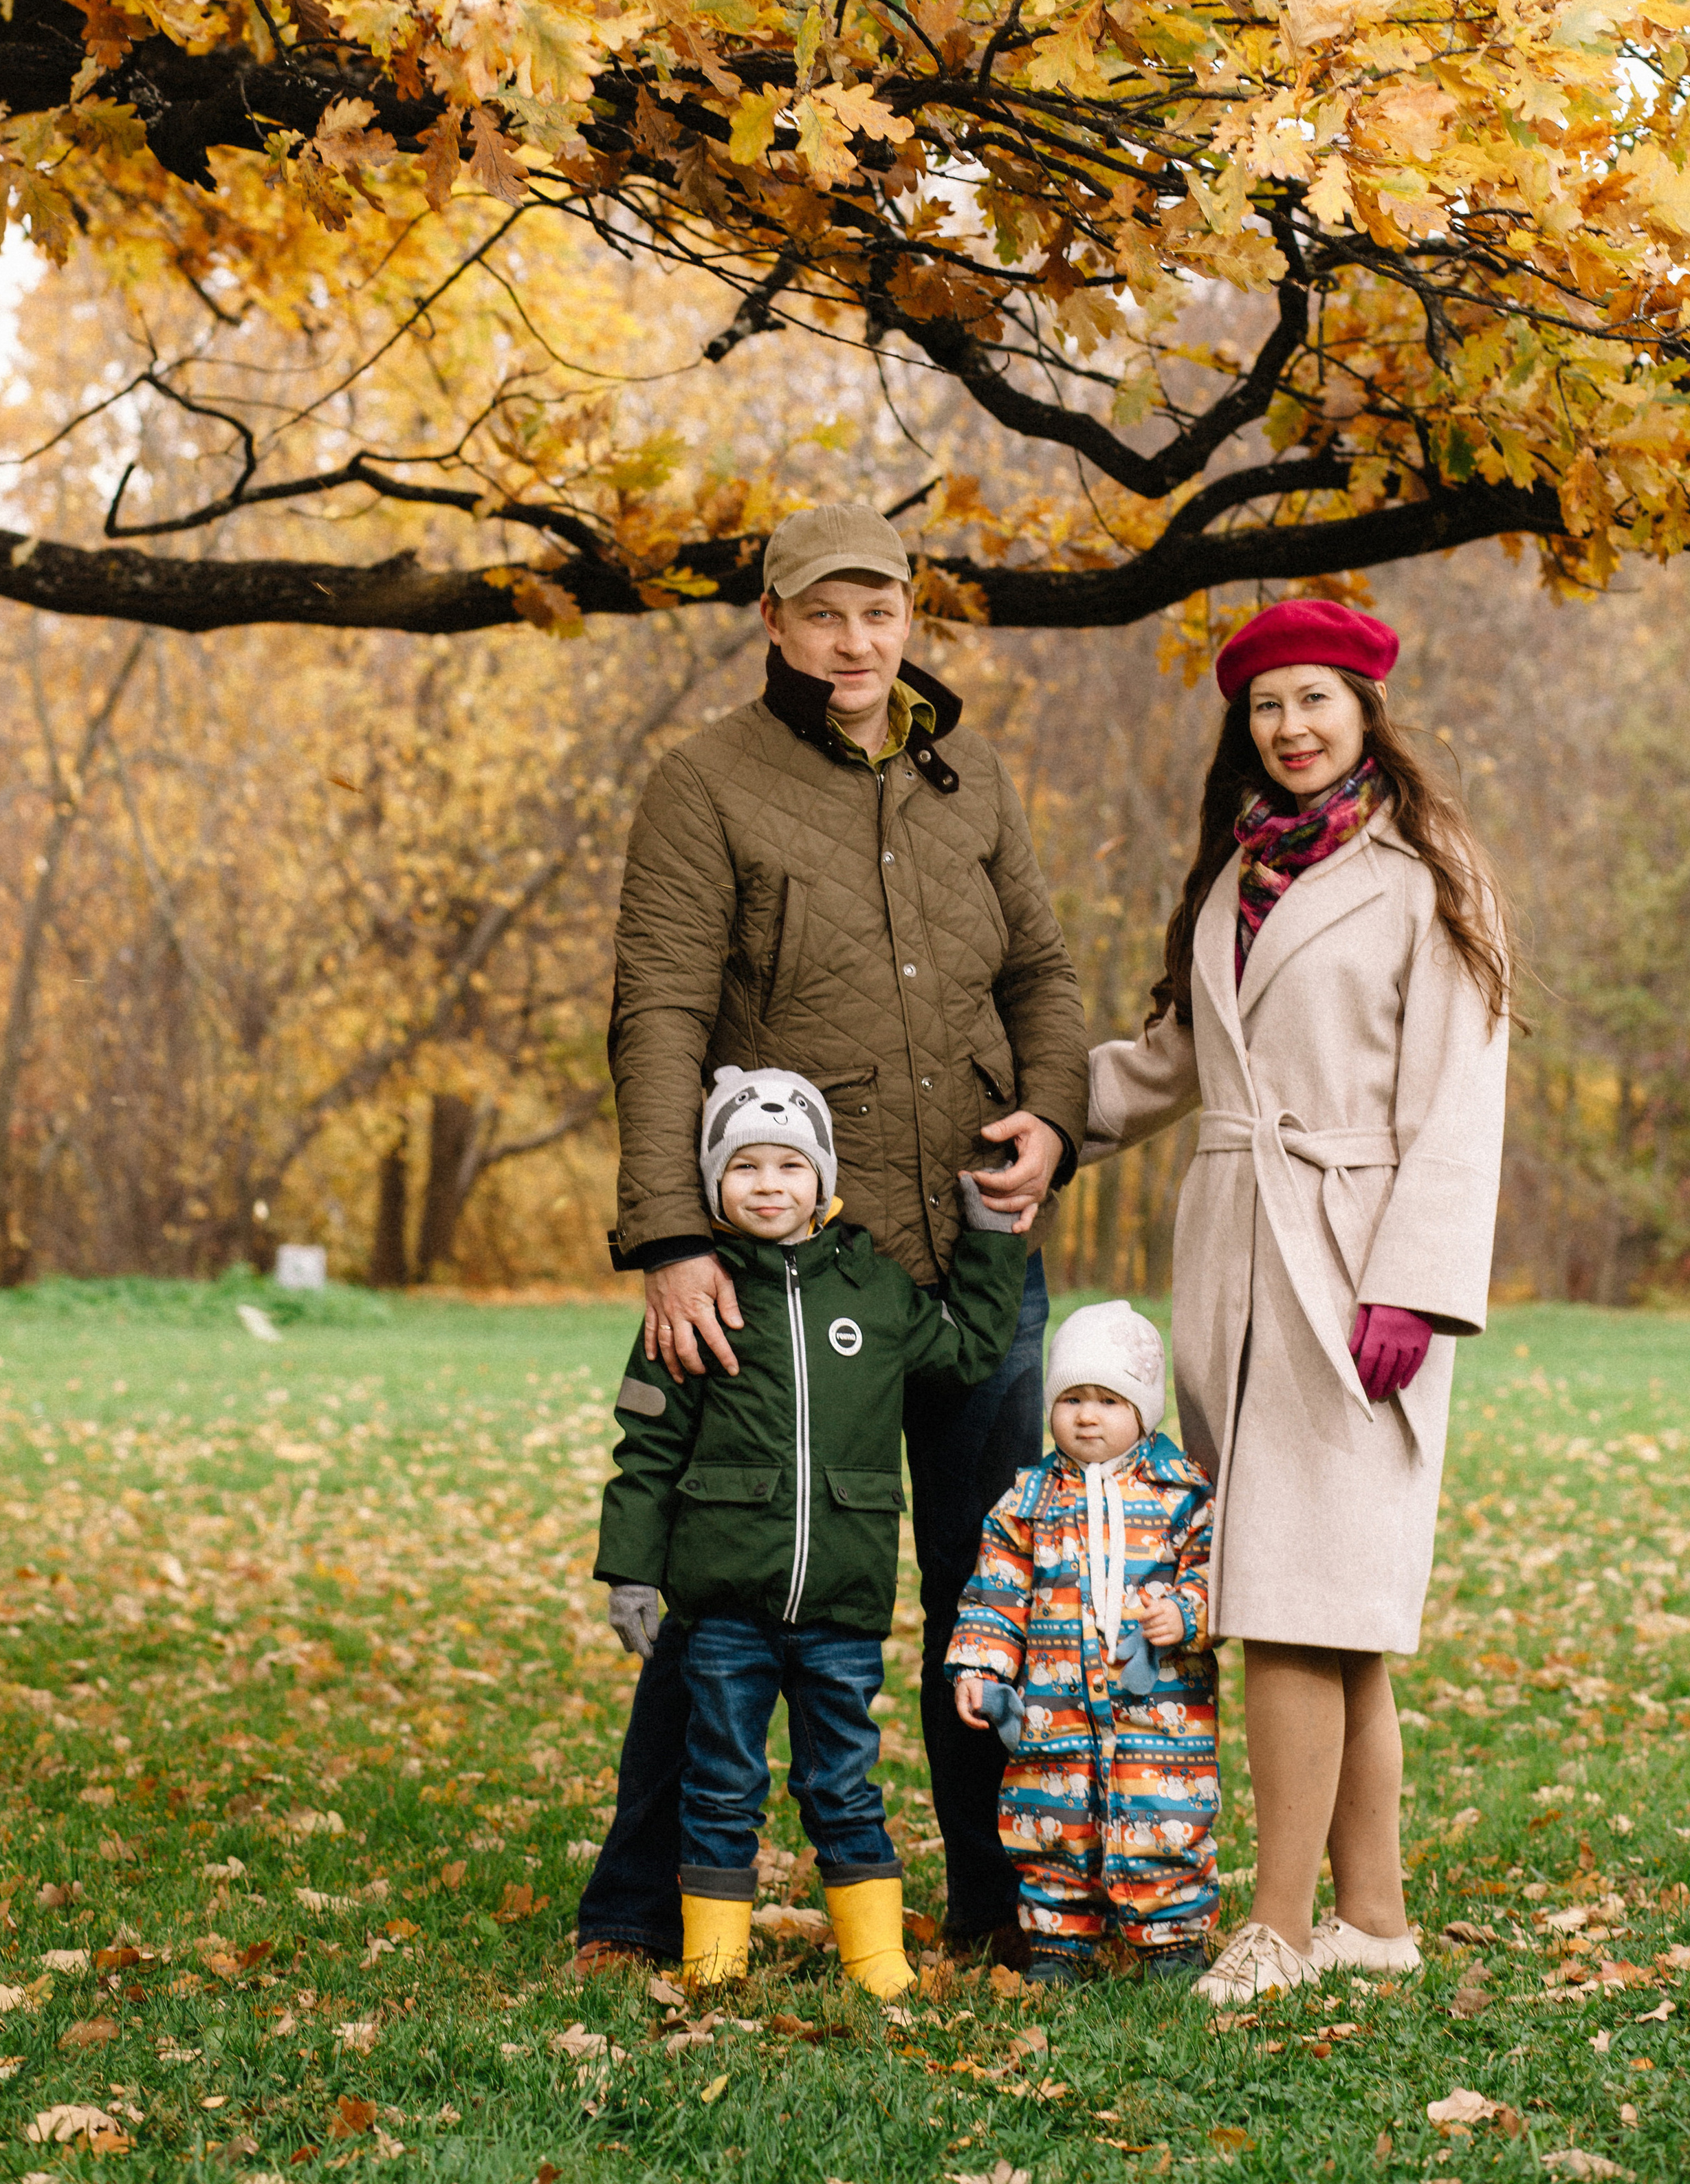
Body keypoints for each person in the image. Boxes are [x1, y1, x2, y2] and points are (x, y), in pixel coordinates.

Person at [577, 501, 1089, 1972]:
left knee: (983, 1585)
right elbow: (658, 1013)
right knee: (735, 1585)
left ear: (908, 620)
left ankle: (999, 1909)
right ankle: (633, 1910)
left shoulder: (964, 773)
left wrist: (1048, 1119)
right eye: (823, 614)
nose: (855, 641)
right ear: (775, 625)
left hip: (978, 1248)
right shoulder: (703, 782)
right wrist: (673, 1237)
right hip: (789, 1273)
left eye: (879, 612)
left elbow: (1043, 974)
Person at [1079, 598, 1510, 2003]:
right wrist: (1035, 1117)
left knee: (1289, 1600)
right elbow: (1170, 1061)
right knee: (1329, 1617)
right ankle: (1370, 1925)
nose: (1291, 728)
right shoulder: (1231, 876)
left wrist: (1413, 1284)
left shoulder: (1423, 873)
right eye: (1266, 706)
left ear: (1364, 709)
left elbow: (1461, 1092)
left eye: (1315, 699)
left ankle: (1269, 1926)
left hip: (1354, 1272)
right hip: (1233, 1267)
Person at [595, 1066, 1029, 1996]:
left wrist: (991, 1243)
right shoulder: (697, 1299)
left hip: (839, 1605)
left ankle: (878, 1965)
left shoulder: (874, 1291)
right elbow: (646, 1446)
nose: (768, 1184)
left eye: (789, 1164)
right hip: (723, 1610)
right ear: (714, 1183)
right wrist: (630, 1572)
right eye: (744, 1165)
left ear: (822, 1179)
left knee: (841, 1783)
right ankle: (715, 1961)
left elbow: (968, 1349)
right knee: (720, 1784)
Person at [946, 1299, 1218, 1985]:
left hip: (1160, 1714)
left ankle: (1172, 1940)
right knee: (1049, 1822)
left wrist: (1185, 1613)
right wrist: (980, 1664)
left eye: (1107, 1399)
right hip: (1052, 1712)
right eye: (1071, 1398)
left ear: (1144, 1409)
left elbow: (1217, 1570)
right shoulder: (1027, 1502)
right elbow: (995, 1592)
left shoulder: (1179, 1493)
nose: (1086, 1415)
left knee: (1166, 1818)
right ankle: (1059, 1944)